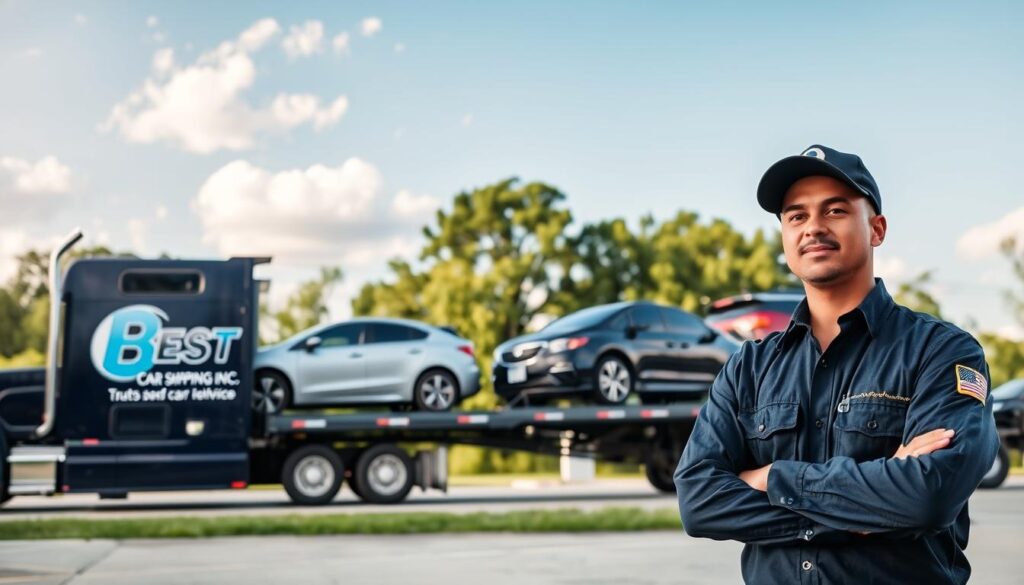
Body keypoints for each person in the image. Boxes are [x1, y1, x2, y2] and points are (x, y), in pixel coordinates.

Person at [674, 144, 999, 584]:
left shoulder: (941, 352)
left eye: (835, 211)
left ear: (877, 229)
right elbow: (699, 501)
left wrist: (771, 477)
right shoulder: (748, 368)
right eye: (796, 216)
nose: (813, 228)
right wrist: (864, 507)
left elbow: (928, 498)